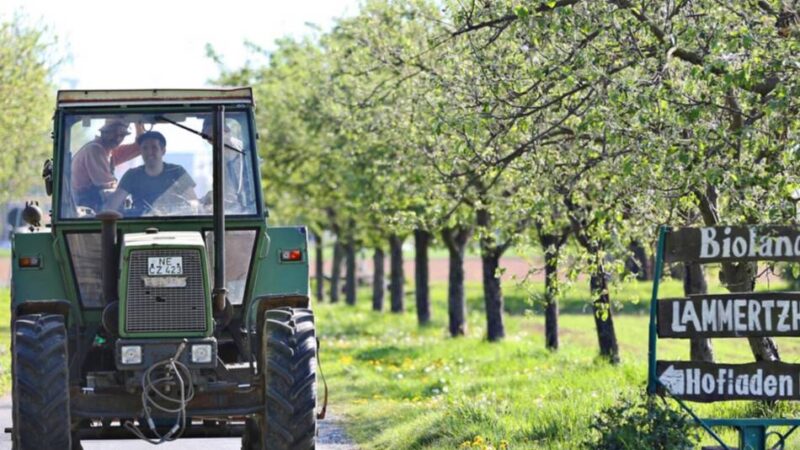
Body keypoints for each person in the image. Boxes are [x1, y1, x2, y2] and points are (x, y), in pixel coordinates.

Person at [105, 131, 197, 216]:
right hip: (140, 226)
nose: (149, 152)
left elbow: (193, 203)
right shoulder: (132, 175)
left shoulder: (177, 171)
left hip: (172, 223)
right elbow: (112, 207)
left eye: (154, 147)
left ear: (163, 151)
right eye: (145, 148)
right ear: (140, 151)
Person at [71, 119, 143, 211]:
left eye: (122, 135)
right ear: (104, 132)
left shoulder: (109, 151)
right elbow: (107, 186)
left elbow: (139, 147)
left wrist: (138, 123)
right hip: (87, 209)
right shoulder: (95, 150)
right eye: (113, 133)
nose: (118, 139)